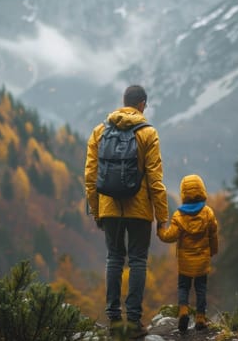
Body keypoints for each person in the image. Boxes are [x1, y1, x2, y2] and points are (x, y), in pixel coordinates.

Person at [84, 85, 169, 338]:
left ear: (124, 102)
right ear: (142, 104)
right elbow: (155, 179)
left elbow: (90, 176)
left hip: (109, 206)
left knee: (114, 258)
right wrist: (162, 217)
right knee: (138, 261)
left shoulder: (100, 131)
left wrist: (97, 210)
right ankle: (133, 321)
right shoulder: (148, 133)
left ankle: (113, 320)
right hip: (140, 208)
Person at [156, 174, 219, 333]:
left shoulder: (179, 216)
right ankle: (200, 317)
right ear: (202, 190)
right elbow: (213, 234)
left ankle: (183, 311)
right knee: (201, 288)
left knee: (183, 287)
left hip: (185, 262)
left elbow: (170, 236)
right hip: (202, 261)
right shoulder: (208, 213)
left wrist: (160, 230)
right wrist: (213, 250)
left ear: (183, 193)